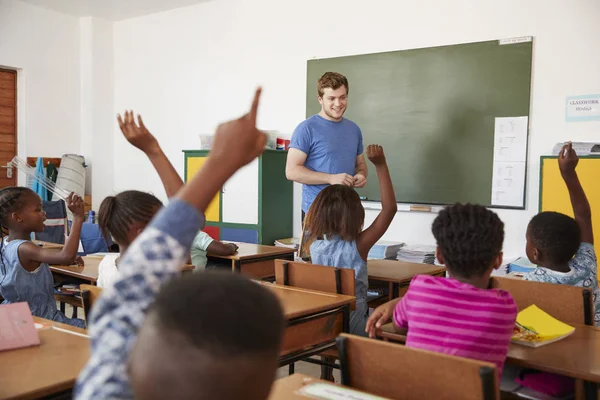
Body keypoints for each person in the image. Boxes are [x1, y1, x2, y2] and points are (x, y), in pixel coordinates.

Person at [75, 88, 286, 400]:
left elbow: (140, 277)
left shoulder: (104, 384)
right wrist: (162, 152)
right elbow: (175, 235)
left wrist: (217, 160)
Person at [366, 203, 517, 377]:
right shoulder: (504, 306)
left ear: (438, 255)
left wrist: (397, 302)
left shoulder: (420, 290)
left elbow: (400, 327)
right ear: (498, 260)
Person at [96, 111, 236, 287]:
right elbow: (186, 215)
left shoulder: (107, 266)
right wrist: (153, 150)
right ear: (142, 234)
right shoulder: (160, 274)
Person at [303, 144, 397, 336]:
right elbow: (389, 209)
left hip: (324, 326)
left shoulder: (314, 246)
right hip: (354, 328)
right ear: (356, 215)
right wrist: (380, 165)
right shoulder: (358, 245)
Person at [524, 142, 599, 324]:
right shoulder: (586, 265)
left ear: (535, 253)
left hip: (557, 348)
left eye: (527, 240)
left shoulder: (530, 283)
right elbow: (583, 216)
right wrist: (569, 173)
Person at [286, 72, 367, 221]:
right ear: (320, 99)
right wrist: (330, 178)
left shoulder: (354, 129)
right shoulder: (306, 129)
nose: (338, 103)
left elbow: (360, 164)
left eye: (342, 97)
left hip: (347, 212)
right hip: (317, 213)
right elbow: (291, 171)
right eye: (331, 98)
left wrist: (361, 174)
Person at [0, 189, 86, 328]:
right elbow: (66, 256)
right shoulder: (25, 248)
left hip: (15, 317)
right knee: (95, 330)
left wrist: (59, 257)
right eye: (38, 209)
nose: (44, 214)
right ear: (18, 217)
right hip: (39, 320)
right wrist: (77, 217)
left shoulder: (5, 243)